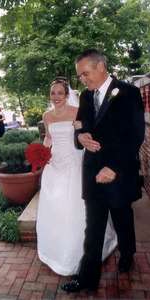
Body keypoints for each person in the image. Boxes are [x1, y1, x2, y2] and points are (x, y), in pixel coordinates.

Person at [61, 49, 145, 293]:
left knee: (122, 218)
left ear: (101, 67)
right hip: (92, 172)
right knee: (93, 227)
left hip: (118, 172)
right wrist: (82, 137)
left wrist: (115, 167)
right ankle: (87, 278)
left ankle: (127, 254)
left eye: (85, 73)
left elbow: (136, 134)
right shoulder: (87, 97)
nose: (83, 80)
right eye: (80, 76)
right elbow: (80, 126)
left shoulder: (129, 92)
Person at [36, 78, 117, 276]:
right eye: (53, 93)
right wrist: (40, 154)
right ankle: (57, 251)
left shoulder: (76, 112)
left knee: (76, 207)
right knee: (55, 208)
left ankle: (83, 254)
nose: (56, 97)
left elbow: (84, 135)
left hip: (74, 163)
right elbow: (48, 137)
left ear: (66, 94)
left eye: (59, 93)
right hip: (54, 164)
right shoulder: (47, 116)